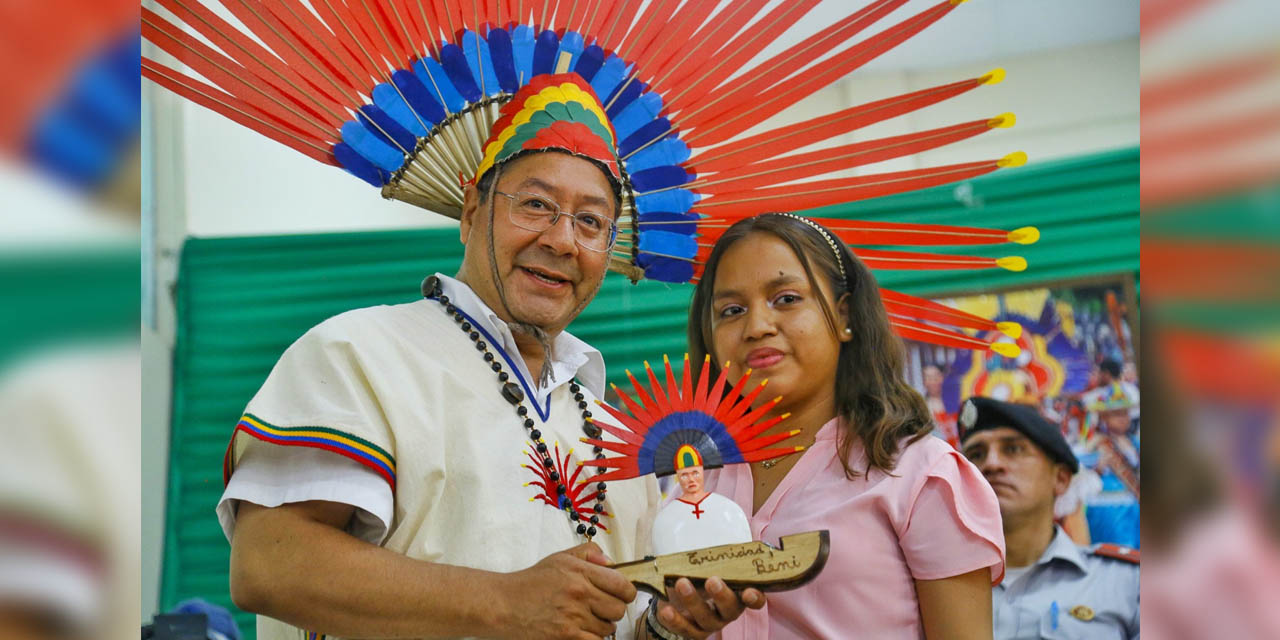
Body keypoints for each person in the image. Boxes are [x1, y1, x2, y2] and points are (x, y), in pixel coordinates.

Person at [217, 77, 761, 640]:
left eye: (591, 221)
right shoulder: (359, 354)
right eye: (536, 205)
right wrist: (504, 603)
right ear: (472, 209)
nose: (562, 240)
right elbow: (268, 564)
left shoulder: (616, 434)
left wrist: (669, 627)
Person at [680, 213, 1006, 639]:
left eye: (786, 298)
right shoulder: (693, 482)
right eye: (732, 310)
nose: (757, 326)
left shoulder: (922, 478)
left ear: (844, 313)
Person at [959, 396, 1139, 639]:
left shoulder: (1124, 582)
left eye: (1013, 449)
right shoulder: (935, 587)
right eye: (975, 455)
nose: (991, 464)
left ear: (1061, 479)